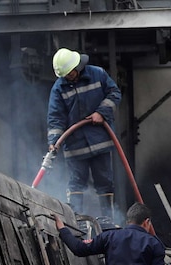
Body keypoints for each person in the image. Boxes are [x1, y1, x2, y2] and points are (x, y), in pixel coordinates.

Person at [47, 48, 122, 223]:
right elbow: (55, 118)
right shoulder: (59, 88)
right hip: (75, 146)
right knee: (75, 184)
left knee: (104, 182)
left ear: (77, 66)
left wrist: (101, 113)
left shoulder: (98, 74)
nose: (67, 78)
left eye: (69, 74)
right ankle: (76, 221)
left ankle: (108, 221)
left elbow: (114, 93)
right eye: (64, 76)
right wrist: (53, 141)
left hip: (100, 141)